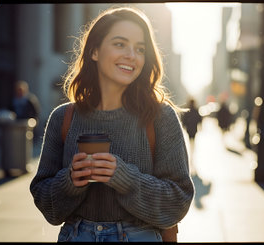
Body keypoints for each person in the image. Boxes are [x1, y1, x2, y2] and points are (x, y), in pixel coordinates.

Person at [30, 7, 194, 242]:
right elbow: (47, 206)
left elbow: (178, 201)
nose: (131, 55)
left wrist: (125, 178)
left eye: (140, 49)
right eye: (120, 44)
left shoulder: (161, 117)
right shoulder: (62, 118)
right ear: (95, 51)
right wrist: (71, 181)